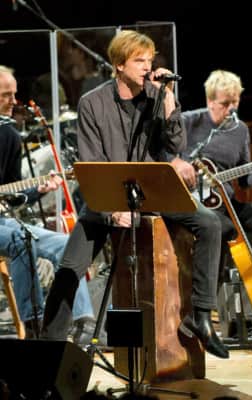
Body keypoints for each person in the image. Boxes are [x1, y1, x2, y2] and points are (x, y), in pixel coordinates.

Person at [40, 30, 229, 359]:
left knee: (211, 223)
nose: (147, 67)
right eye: (139, 60)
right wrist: (111, 211)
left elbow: (175, 146)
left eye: (149, 60)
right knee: (69, 269)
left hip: (152, 191)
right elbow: (92, 164)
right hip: (107, 198)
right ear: (118, 65)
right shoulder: (92, 103)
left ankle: (200, 316)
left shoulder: (158, 96)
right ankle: (49, 351)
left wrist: (169, 104)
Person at [168, 70, 252, 279]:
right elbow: (163, 153)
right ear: (210, 101)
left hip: (228, 205)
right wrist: (178, 163)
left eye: (235, 102)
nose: (231, 109)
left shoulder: (241, 130)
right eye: (225, 103)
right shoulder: (189, 121)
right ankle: (212, 296)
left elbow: (246, 180)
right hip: (192, 205)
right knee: (219, 227)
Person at [0, 65, 94, 338]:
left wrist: (39, 190)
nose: (13, 101)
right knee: (22, 240)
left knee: (67, 244)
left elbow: (12, 196)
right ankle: (35, 324)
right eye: (6, 95)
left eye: (14, 93)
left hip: (3, 222)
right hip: (9, 232)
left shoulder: (9, 135)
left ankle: (83, 321)